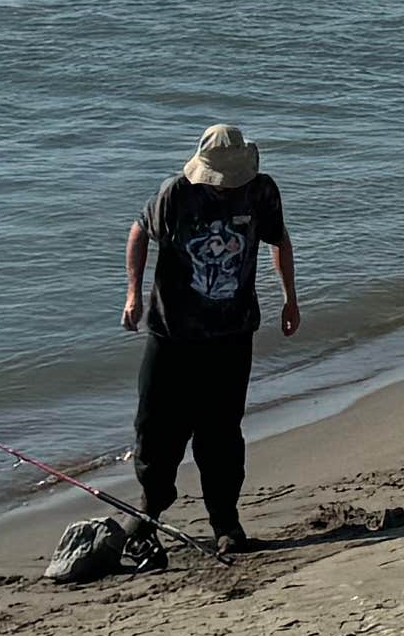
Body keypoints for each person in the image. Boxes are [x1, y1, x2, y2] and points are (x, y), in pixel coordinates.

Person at [121, 122, 298, 558]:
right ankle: (150, 510)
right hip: (171, 333)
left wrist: (290, 299)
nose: (224, 189)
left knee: (221, 433)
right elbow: (139, 232)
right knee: (156, 427)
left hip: (232, 334)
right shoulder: (175, 194)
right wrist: (133, 295)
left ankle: (226, 520)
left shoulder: (261, 192)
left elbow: (279, 239)